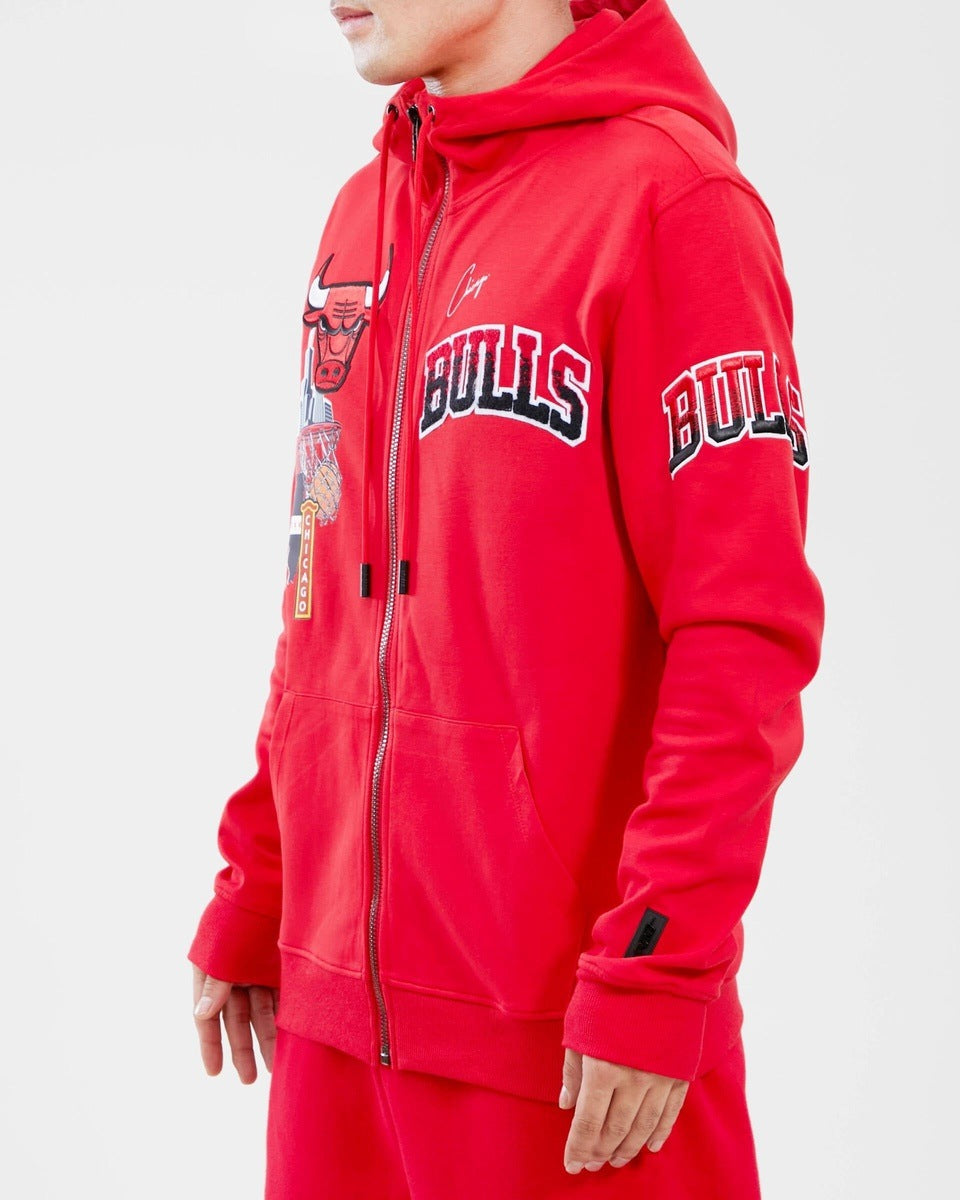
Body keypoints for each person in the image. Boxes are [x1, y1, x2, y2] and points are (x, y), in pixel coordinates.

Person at [186, 0, 825, 1195]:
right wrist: (261, 874)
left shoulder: (671, 206)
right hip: (335, 1030)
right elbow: (319, 582)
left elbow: (742, 636)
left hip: (570, 1054)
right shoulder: (362, 215)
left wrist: (658, 968)